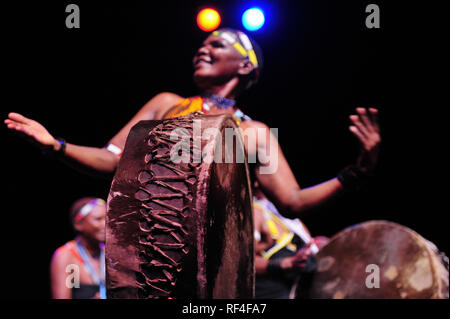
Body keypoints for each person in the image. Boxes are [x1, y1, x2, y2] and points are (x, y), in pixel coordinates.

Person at [6, 28, 381, 297]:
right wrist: (55, 145)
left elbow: (292, 202)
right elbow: (111, 162)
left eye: (217, 44)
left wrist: (355, 172)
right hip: (146, 258)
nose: (202, 49)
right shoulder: (165, 104)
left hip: (212, 271)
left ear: (245, 66)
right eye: (202, 43)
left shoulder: (252, 133)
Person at [50, 197, 106, 299]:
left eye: (107, 219)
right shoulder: (68, 257)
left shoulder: (108, 253)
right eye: (98, 219)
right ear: (78, 224)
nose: (105, 224)